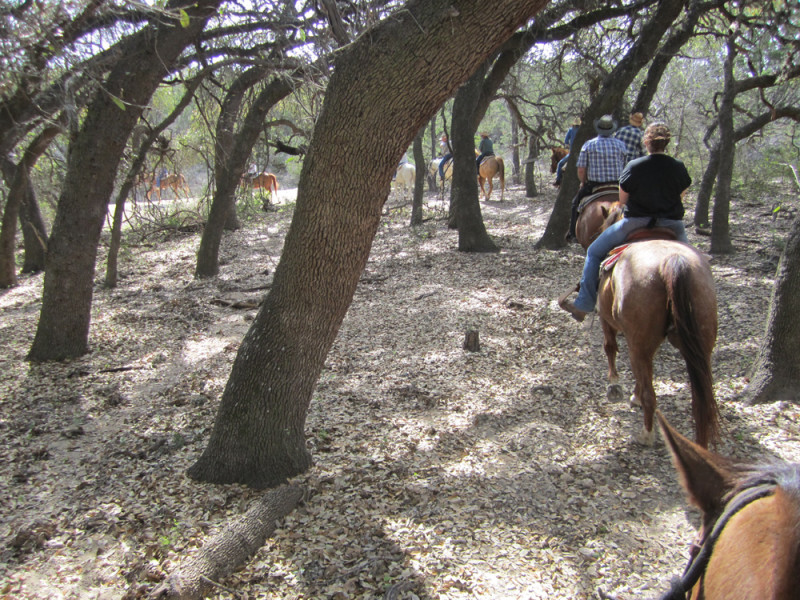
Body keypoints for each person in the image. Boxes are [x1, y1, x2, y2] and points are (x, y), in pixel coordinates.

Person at [559, 122, 692, 322]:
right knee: (693, 262)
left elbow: (622, 201)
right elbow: (682, 194)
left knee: (594, 252)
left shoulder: (635, 166)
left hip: (635, 222)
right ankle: (691, 308)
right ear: (667, 143)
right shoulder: (678, 166)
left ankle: (584, 304)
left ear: (646, 142)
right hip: (671, 224)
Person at [566, 115, 627, 241]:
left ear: (598, 128)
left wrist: (583, 182)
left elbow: (581, 169)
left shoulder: (589, 145)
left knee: (575, 203)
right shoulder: (621, 145)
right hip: (617, 185)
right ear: (612, 129)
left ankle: (572, 234)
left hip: (594, 185)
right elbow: (626, 166)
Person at [554, 118, 581, 187]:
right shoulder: (583, 130)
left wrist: (568, 146)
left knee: (560, 164)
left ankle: (558, 180)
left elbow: (566, 141)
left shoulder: (571, 130)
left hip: (572, 153)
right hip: (582, 153)